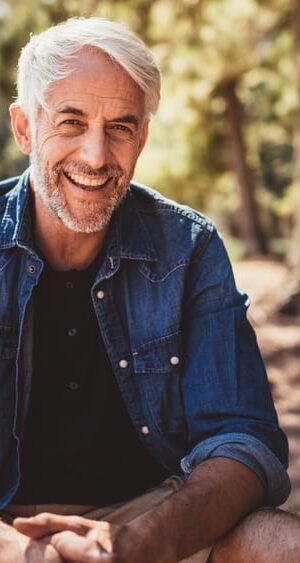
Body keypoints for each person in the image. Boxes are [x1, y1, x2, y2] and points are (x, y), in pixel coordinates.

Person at [0, 16, 299, 563]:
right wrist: (22, 552)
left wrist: (137, 544)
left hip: (151, 519)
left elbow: (242, 440)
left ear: (142, 136)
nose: (95, 156)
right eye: (70, 121)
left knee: (276, 542)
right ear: (24, 128)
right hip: (7, 529)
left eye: (120, 126)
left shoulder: (189, 247)